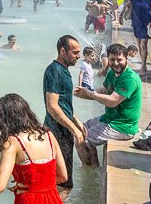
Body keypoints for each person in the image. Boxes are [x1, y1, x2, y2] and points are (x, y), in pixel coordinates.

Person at [0, 93, 66, 203]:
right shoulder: (49, 135)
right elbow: (63, 176)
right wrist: (33, 186)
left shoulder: (13, 142)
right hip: (53, 199)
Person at [73, 43, 142, 167]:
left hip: (123, 126)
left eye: (119, 60)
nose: (115, 63)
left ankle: (91, 172)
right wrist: (82, 94)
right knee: (79, 130)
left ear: (126, 58)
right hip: (110, 118)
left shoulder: (129, 79)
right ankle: (91, 166)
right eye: (112, 60)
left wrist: (90, 93)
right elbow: (103, 91)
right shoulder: (112, 73)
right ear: (108, 59)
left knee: (84, 140)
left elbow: (112, 101)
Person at [43, 34, 85, 197]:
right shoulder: (54, 71)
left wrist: (77, 121)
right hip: (57, 132)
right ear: (63, 51)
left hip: (62, 130)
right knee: (63, 184)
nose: (78, 56)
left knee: (58, 181)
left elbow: (64, 104)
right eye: (75, 52)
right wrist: (74, 129)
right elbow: (52, 106)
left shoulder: (64, 70)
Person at [120, 0, 151, 76]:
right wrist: (121, 15)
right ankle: (144, 64)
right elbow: (128, 4)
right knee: (140, 44)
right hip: (136, 22)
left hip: (147, 23)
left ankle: (143, 66)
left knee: (143, 44)